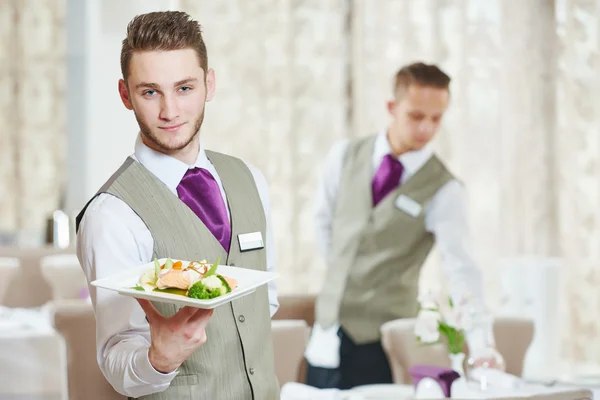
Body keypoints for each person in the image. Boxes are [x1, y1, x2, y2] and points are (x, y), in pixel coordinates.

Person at [76, 11, 279, 400]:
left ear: (209, 83)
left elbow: (263, 301)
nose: (170, 111)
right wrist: (159, 359)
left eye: (184, 88)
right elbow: (116, 354)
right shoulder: (111, 214)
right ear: (125, 94)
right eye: (150, 92)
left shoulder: (249, 179)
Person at [304, 62, 495, 389]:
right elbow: (323, 222)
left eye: (436, 119)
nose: (426, 129)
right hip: (324, 338)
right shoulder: (344, 155)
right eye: (417, 116)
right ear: (392, 107)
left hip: (385, 343)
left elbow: (462, 270)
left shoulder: (445, 190)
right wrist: (342, 273)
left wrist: (482, 344)